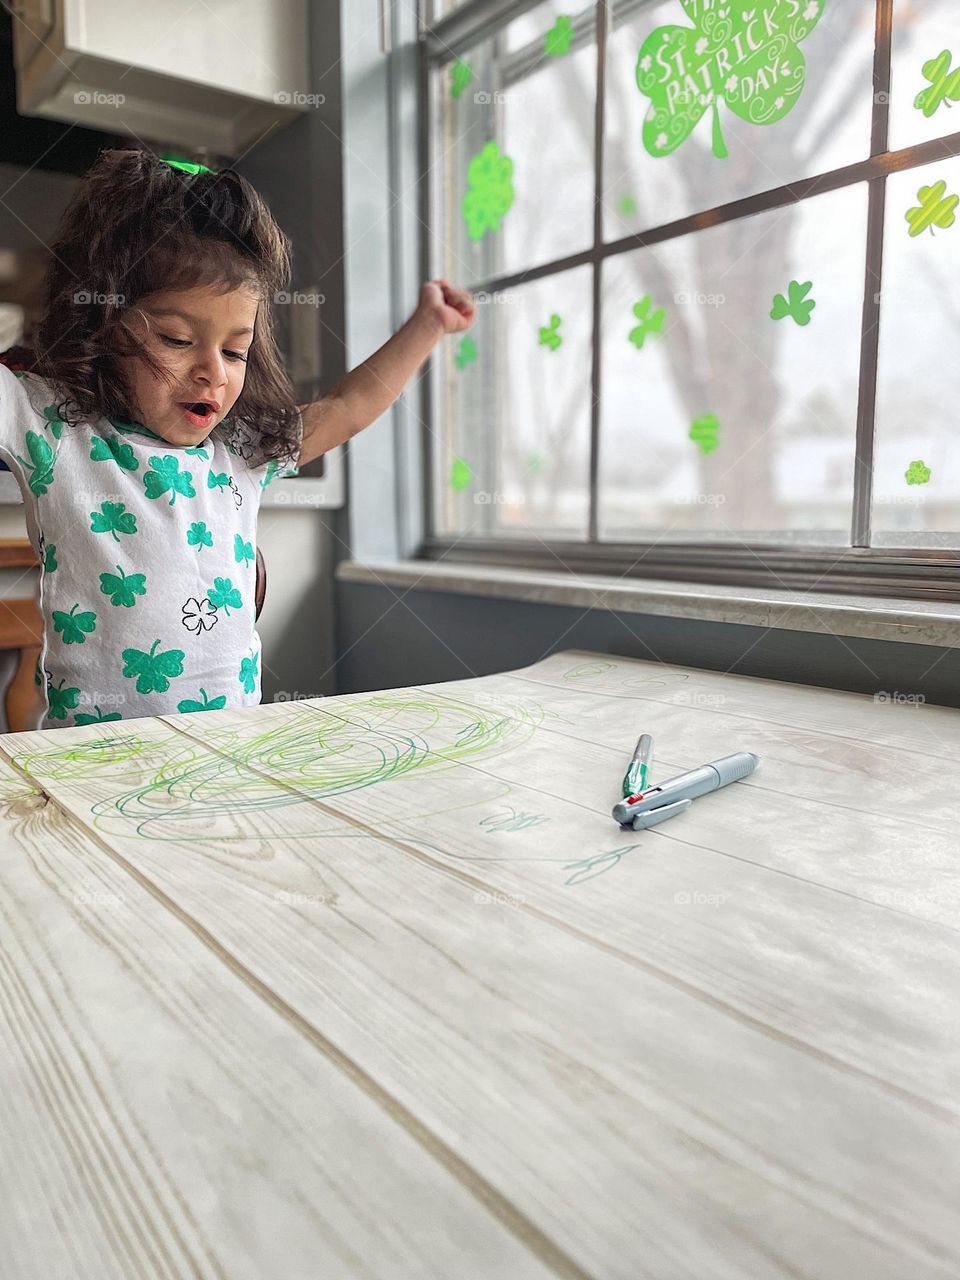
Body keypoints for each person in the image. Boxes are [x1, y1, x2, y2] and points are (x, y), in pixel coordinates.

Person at [0, 149, 475, 729]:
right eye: (176, 340)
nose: (213, 372)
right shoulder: (52, 426)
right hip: (94, 763)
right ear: (105, 329)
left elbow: (347, 406)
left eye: (234, 350)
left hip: (230, 747)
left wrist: (427, 326)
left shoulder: (241, 452)